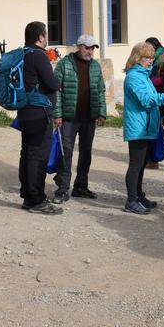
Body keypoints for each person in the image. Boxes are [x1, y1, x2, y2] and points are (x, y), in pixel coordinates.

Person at [51, 34, 107, 203]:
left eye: (92, 48)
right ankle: (62, 188)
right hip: (69, 118)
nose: (90, 51)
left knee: (86, 153)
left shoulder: (95, 66)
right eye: (87, 47)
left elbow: (100, 91)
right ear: (78, 46)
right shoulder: (64, 64)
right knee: (65, 152)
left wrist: (102, 112)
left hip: (89, 118)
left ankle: (81, 186)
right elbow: (56, 91)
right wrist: (58, 114)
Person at [17, 21, 64, 214]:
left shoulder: (23, 54)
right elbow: (52, 83)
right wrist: (57, 80)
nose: (46, 38)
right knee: (38, 156)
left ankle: (28, 195)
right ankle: (36, 200)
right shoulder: (38, 56)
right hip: (39, 113)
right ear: (40, 37)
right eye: (45, 35)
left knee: (27, 154)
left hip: (26, 111)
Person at [122, 41, 164, 214]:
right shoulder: (133, 77)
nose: (150, 61)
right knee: (136, 164)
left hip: (146, 126)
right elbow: (146, 100)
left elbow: (151, 96)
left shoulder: (143, 75)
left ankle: (138, 195)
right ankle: (131, 200)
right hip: (138, 127)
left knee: (142, 163)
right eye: (147, 57)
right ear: (137, 57)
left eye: (152, 57)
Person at [145, 36, 164, 168]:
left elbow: (162, 80)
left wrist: (145, 81)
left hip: (162, 99)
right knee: (156, 127)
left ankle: (156, 158)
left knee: (157, 127)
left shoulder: (163, 62)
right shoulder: (151, 61)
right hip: (153, 98)